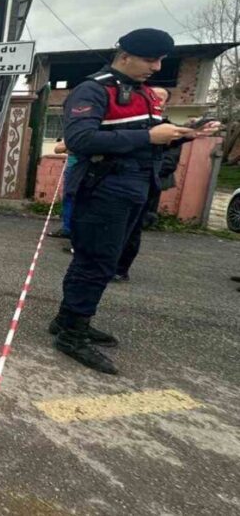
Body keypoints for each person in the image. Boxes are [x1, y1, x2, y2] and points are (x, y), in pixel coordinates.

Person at [49, 28, 219, 375]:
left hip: (135, 186)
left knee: (102, 260)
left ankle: (68, 318)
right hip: (103, 187)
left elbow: (146, 140)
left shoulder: (141, 94)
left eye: (160, 60)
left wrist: (181, 136)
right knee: (95, 262)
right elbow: (80, 138)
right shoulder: (94, 89)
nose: (156, 67)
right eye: (150, 59)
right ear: (125, 56)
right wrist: (147, 135)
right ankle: (71, 333)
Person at [114, 87, 179, 281]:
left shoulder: (169, 129)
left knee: (132, 229)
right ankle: (104, 264)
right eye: (151, 96)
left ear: (165, 104)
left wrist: (137, 170)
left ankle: (120, 269)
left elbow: (168, 163)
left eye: (159, 99)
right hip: (118, 185)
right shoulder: (131, 125)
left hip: (146, 185)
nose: (154, 100)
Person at [49, 139, 76, 239]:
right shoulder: (73, 134)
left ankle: (75, 231)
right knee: (68, 198)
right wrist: (70, 147)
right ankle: (67, 229)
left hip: (84, 168)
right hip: (72, 166)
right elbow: (57, 149)